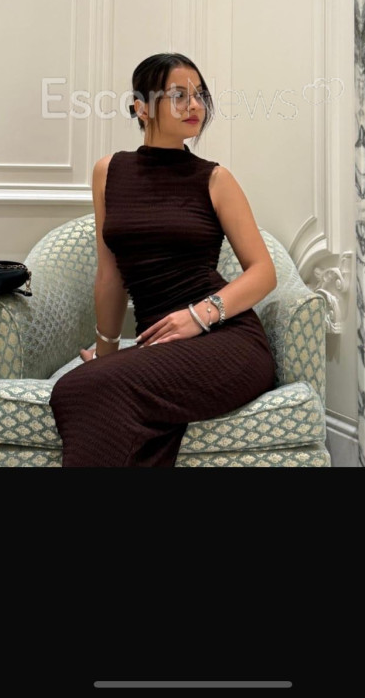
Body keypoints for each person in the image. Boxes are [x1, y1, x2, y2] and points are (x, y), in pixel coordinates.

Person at [49, 52, 277, 467]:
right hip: (159, 346)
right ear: (141, 107)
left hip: (228, 341)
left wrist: (200, 315)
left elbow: (264, 273)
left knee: (78, 388)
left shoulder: (215, 178)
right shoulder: (108, 172)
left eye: (199, 95)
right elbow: (110, 275)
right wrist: (106, 351)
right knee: (86, 388)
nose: (194, 105)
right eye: (178, 95)